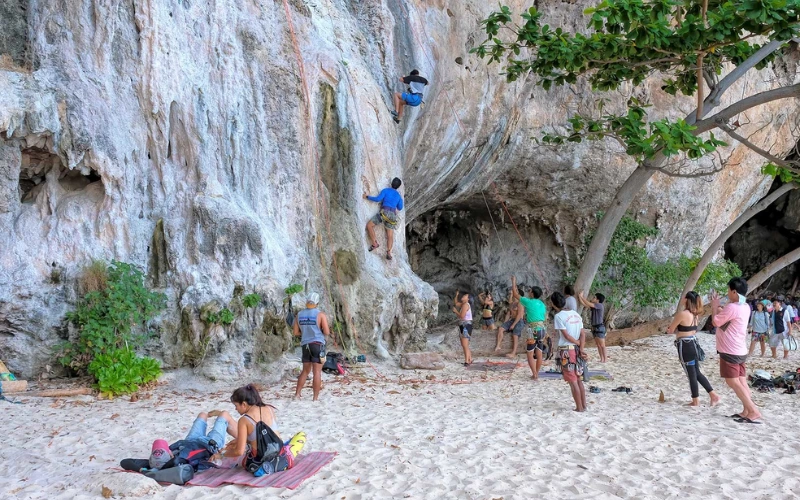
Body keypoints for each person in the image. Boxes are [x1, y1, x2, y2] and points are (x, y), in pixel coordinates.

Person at [223, 384, 306, 476]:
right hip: (278, 453)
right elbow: (266, 436)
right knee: (301, 435)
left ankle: (265, 467)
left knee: (241, 456)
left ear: (244, 404)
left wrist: (222, 455)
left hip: (260, 458)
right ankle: (284, 459)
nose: (235, 409)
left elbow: (239, 451)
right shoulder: (269, 409)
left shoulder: (244, 420)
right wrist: (239, 440)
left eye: (236, 405)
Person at [711, 278, 762, 424]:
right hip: (740, 349)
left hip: (730, 349)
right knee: (741, 381)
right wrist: (722, 306)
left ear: (734, 291)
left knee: (732, 381)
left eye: (728, 290)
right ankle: (747, 410)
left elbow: (715, 322)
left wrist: (714, 306)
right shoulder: (745, 306)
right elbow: (729, 317)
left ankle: (753, 410)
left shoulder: (733, 307)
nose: (727, 293)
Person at [666, 292, 721, 407]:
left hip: (684, 345)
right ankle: (713, 395)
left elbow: (670, 330)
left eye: (684, 297)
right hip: (693, 343)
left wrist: (672, 330)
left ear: (687, 300)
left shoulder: (682, 314)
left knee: (691, 374)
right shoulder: (695, 314)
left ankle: (695, 400)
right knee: (697, 373)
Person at [551, 291, 588, 412]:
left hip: (566, 351)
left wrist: (577, 343)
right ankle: (584, 405)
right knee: (578, 379)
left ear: (553, 304)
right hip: (577, 351)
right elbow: (582, 334)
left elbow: (566, 336)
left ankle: (579, 408)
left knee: (572, 381)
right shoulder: (576, 314)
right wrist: (581, 348)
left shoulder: (558, 316)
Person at [293, 292, 331, 400]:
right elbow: (327, 332)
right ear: (317, 303)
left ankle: (297, 394)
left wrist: (305, 333)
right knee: (317, 372)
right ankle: (315, 398)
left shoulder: (299, 315)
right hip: (317, 345)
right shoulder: (320, 314)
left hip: (305, 345)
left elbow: (296, 333)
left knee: (305, 371)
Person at [510, 276, 547, 379]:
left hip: (532, 330)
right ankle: (537, 373)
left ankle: (534, 374)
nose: (529, 292)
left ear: (532, 293)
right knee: (539, 352)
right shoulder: (542, 304)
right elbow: (544, 317)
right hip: (542, 330)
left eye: (530, 291)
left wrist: (513, 282)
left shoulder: (528, 302)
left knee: (530, 353)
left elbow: (515, 294)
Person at [364, 178, 404, 261]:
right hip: (392, 216)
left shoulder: (386, 190)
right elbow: (400, 207)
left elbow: (378, 199)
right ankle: (389, 252)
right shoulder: (398, 196)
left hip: (384, 213)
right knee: (390, 235)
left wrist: (367, 196)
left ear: (391, 183)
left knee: (369, 225)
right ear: (398, 186)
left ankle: (375, 243)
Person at [578, 292, 607, 363]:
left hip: (599, 327)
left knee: (602, 345)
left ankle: (605, 359)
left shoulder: (599, 305)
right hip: (595, 328)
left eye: (594, 297)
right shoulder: (594, 307)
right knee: (598, 345)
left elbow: (587, 303)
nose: (593, 298)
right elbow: (584, 304)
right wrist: (579, 297)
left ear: (597, 300)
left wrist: (581, 296)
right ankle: (602, 359)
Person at [494, 289, 524, 354]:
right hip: (512, 320)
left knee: (515, 335)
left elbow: (519, 315)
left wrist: (513, 325)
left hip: (519, 321)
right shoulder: (512, 303)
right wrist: (505, 323)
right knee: (501, 328)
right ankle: (498, 345)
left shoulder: (520, 303)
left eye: (516, 292)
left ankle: (513, 352)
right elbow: (508, 314)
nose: (514, 293)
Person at [452, 290, 473, 366]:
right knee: (465, 344)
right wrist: (456, 295)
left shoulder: (465, 305)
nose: (463, 297)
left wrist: (455, 311)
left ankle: (467, 361)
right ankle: (469, 358)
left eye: (465, 296)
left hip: (465, 325)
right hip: (464, 325)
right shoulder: (463, 304)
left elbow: (462, 316)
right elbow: (456, 303)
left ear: (468, 299)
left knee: (465, 344)